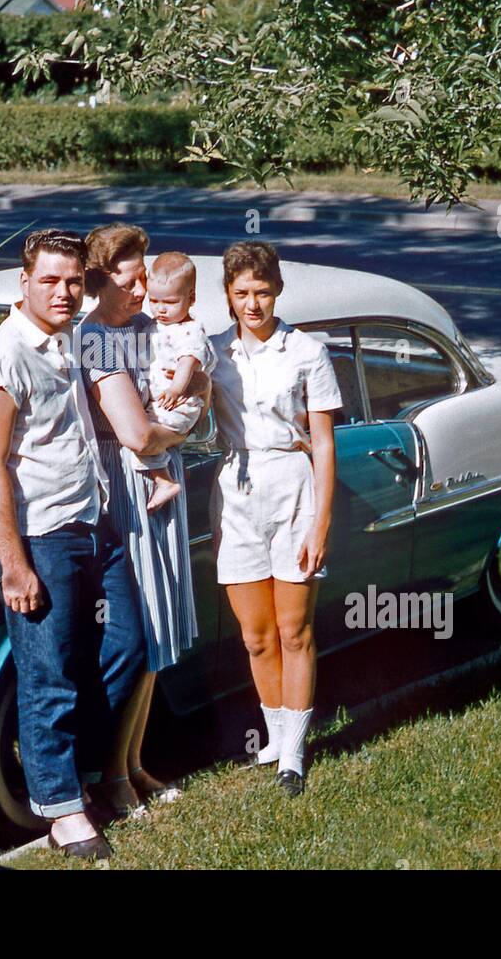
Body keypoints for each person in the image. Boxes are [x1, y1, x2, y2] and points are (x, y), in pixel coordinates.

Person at [0, 228, 145, 861]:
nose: (65, 292)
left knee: (128, 646)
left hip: (93, 526)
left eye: (74, 281)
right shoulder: (2, 357)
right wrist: (13, 564)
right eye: (50, 280)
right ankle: (62, 812)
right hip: (38, 539)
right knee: (49, 678)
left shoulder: (72, 341)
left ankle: (87, 775)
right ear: (24, 282)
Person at [76, 223, 204, 817]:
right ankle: (110, 775)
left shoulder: (151, 328)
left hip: (160, 476)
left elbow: (197, 377)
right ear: (101, 281)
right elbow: (133, 432)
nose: (141, 290)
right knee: (141, 629)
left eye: (144, 277)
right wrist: (180, 429)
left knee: (158, 627)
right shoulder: (97, 340)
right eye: (130, 281)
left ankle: (132, 763)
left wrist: (183, 414)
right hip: (128, 485)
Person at [208, 241, 342, 796]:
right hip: (236, 493)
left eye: (262, 291)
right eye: (242, 293)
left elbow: (324, 443)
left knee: (294, 630)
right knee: (258, 637)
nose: (253, 303)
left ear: (278, 290)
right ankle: (273, 736)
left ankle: (294, 753)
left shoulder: (307, 351)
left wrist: (321, 523)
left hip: (293, 489)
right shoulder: (214, 353)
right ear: (229, 297)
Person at [124, 251, 216, 513]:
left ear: (191, 298)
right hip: (160, 403)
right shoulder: (153, 325)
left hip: (178, 404)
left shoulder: (190, 331)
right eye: (154, 301)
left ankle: (164, 481)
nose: (161, 309)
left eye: (171, 302)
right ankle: (164, 478)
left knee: (142, 436)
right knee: (141, 431)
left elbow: (188, 361)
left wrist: (177, 388)